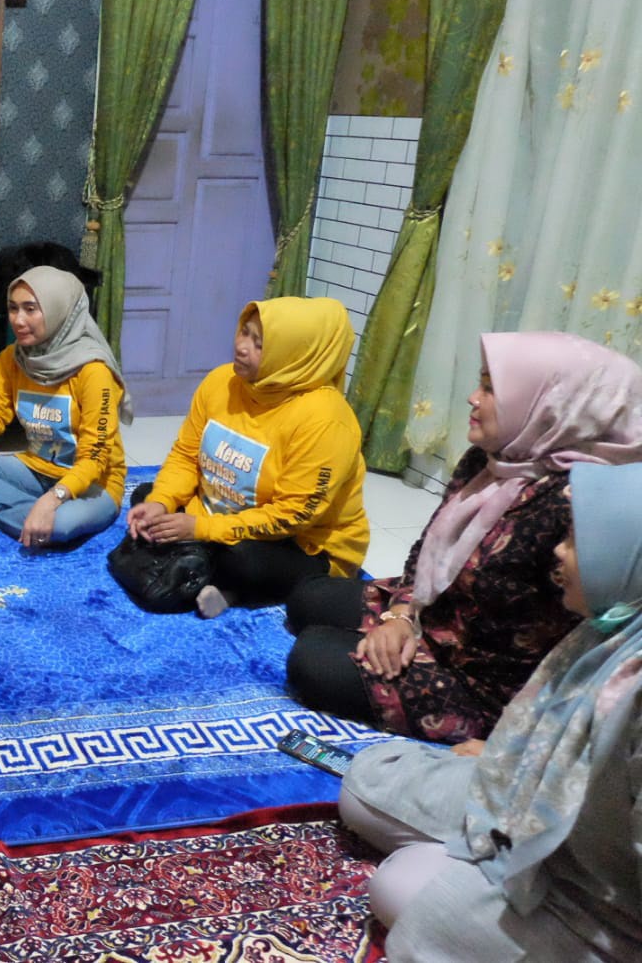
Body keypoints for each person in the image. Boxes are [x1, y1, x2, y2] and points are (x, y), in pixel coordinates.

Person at [338, 461, 642, 961]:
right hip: (529, 794)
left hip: (599, 897)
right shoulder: (611, 625)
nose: (558, 551)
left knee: (410, 900)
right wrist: (516, 754)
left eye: (575, 540)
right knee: (367, 782)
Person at [286, 332, 642, 743]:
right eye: (481, 383)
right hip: (436, 613)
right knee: (309, 596)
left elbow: (586, 645)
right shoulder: (492, 460)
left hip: (484, 684)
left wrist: (510, 744)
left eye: (490, 389)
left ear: (550, 407)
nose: (473, 398)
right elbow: (427, 548)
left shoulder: (580, 504)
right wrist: (401, 616)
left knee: (313, 658)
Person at [122, 297, 368, 615]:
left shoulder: (326, 421)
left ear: (295, 356)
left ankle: (229, 589)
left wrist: (200, 529)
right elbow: (186, 455)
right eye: (245, 332)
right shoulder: (221, 381)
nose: (241, 347)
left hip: (297, 542)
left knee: (243, 561)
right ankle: (203, 565)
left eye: (260, 344)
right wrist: (162, 501)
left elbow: (292, 516)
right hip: (221, 513)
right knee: (146, 498)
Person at [0, 266, 129, 548]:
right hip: (34, 471)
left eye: (30, 309)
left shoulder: (94, 371)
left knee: (60, 525)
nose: (18, 320)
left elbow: (95, 457)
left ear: (58, 310)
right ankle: (29, 515)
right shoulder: (11, 359)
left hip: (94, 485)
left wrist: (54, 499)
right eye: (13, 308)